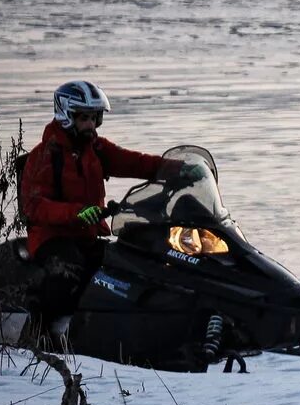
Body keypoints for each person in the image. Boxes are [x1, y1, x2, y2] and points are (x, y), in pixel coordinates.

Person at [18, 81, 202, 329]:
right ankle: (41, 332)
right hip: (52, 238)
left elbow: (135, 163)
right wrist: (77, 213)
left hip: (88, 236)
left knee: (127, 264)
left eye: (94, 118)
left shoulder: (96, 148)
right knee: (68, 274)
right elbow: (34, 206)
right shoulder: (44, 156)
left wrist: (179, 170)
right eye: (84, 118)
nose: (90, 125)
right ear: (66, 116)